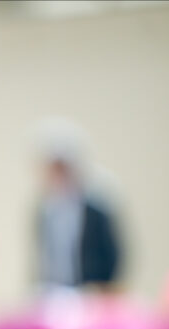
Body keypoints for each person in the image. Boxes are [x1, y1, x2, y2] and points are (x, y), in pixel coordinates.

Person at [35, 119, 122, 290]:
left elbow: (113, 254)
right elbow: (44, 257)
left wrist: (102, 288)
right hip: (55, 292)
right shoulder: (45, 210)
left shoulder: (96, 208)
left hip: (90, 292)